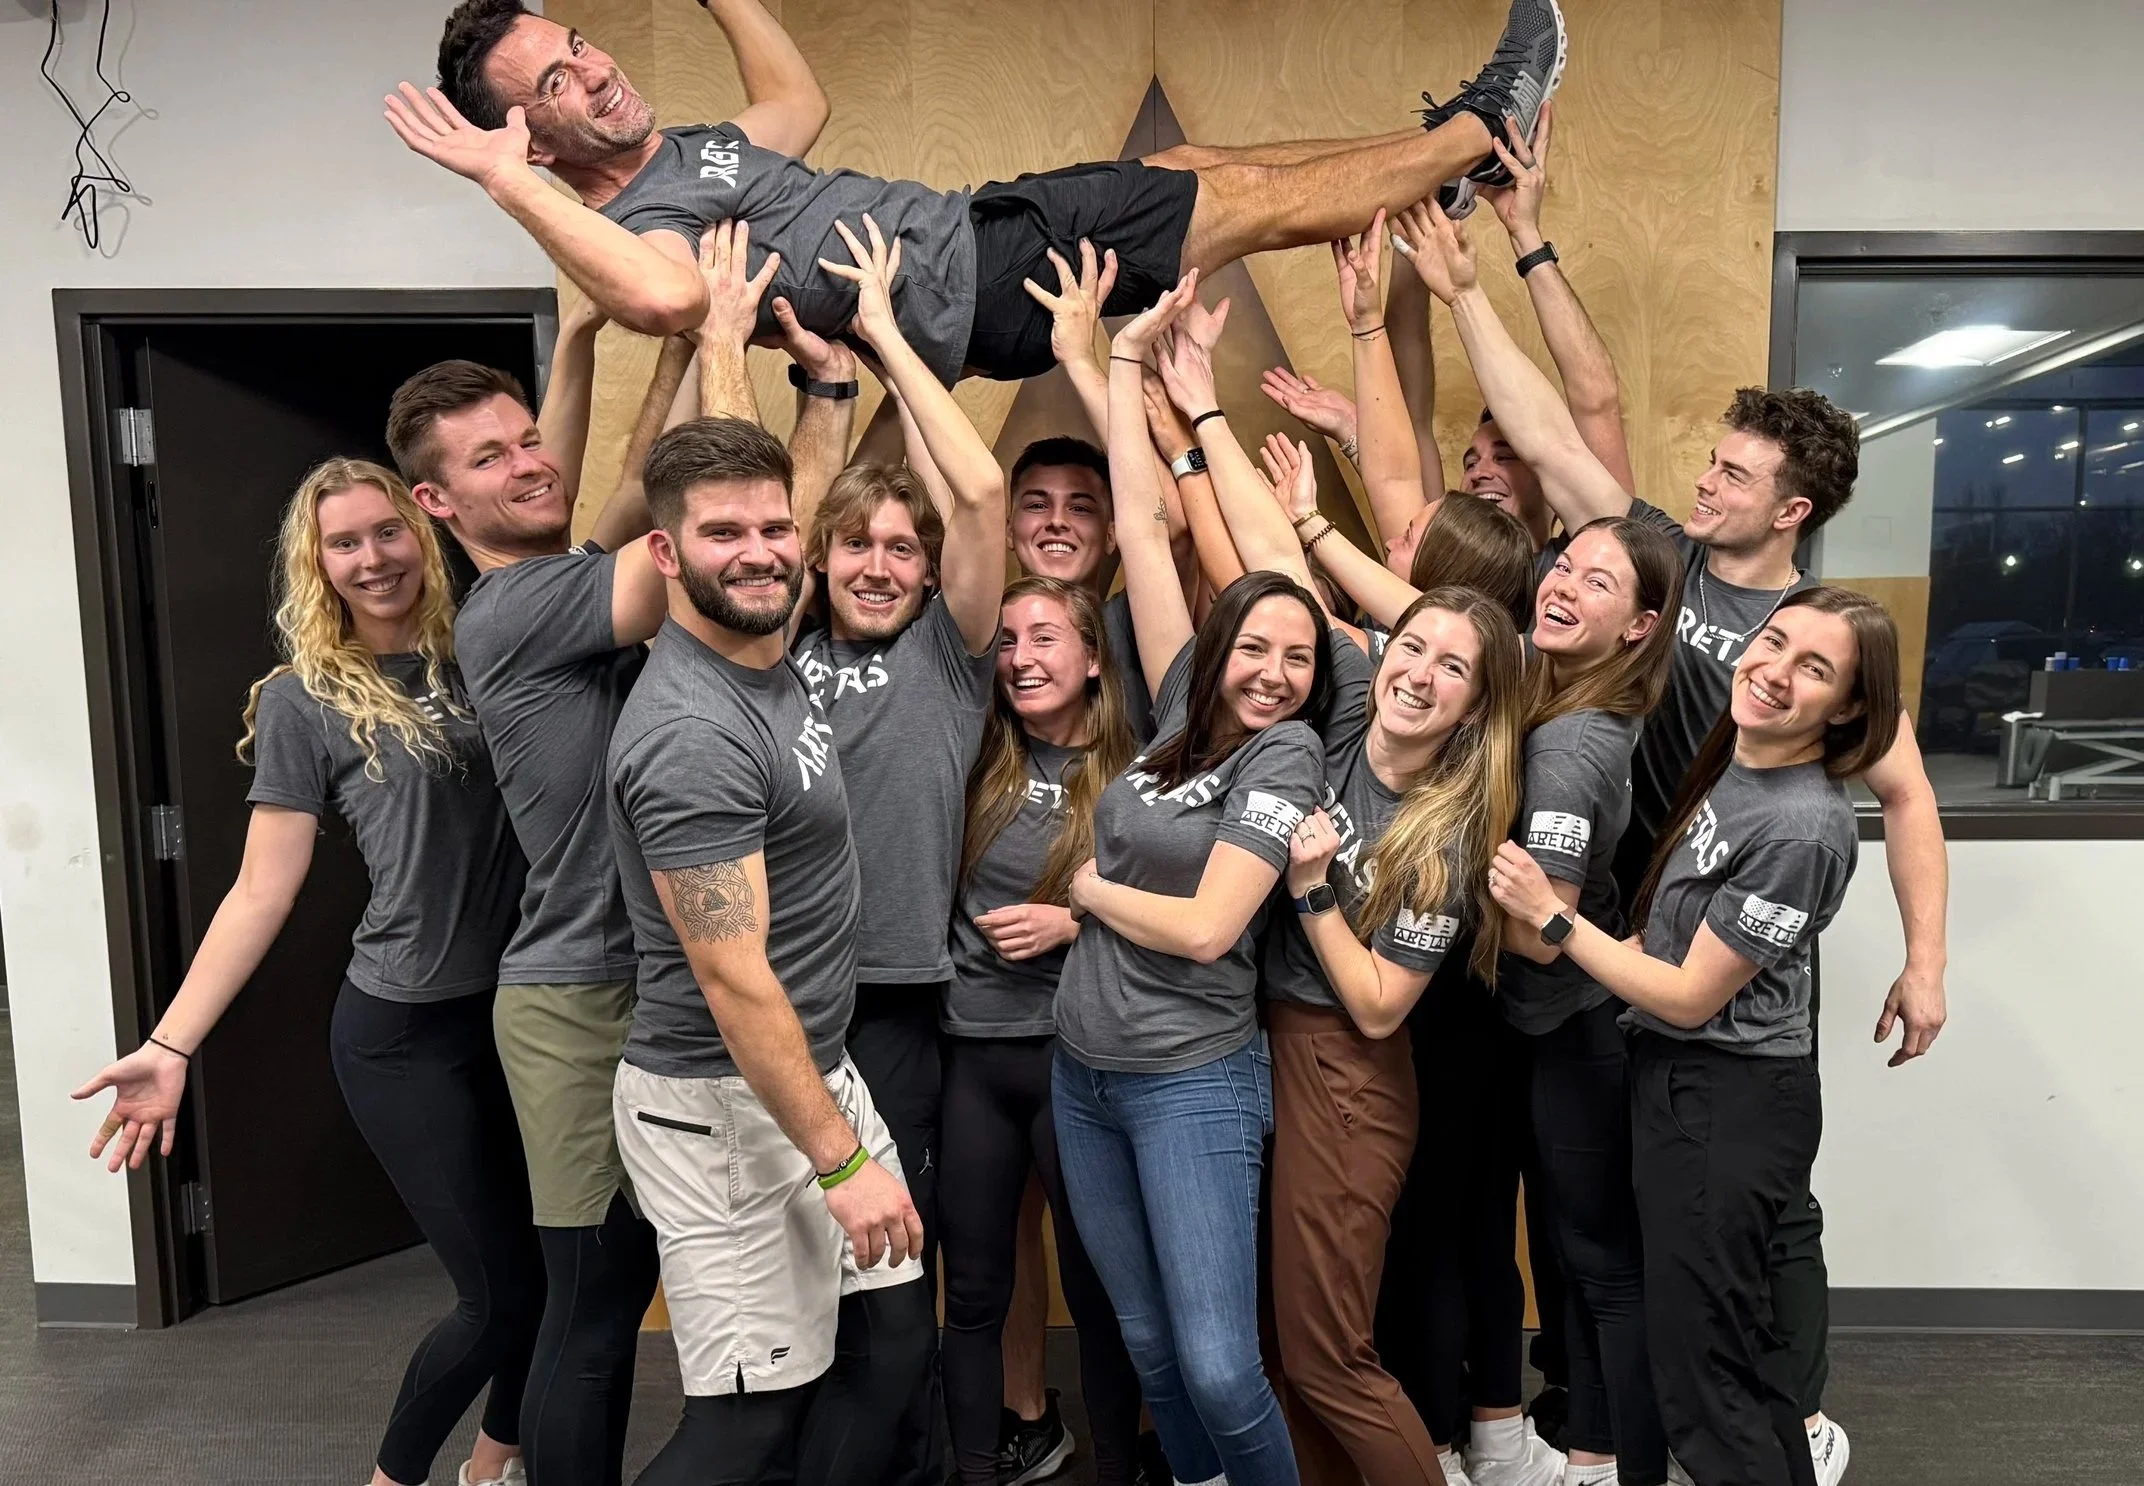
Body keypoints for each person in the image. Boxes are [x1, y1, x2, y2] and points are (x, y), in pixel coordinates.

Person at [1400, 196, 1950, 1483]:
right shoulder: (1667, 564)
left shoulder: (1818, 637)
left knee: (1760, 1220)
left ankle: (1789, 1422)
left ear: (1792, 508)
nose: (1703, 483)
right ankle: (1637, 1436)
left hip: (1709, 959)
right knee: (1638, 1234)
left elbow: (1910, 797)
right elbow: (1553, 430)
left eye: (1732, 476)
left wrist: (1924, 962)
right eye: (1708, 464)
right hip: (1629, 949)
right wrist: (1471, 286)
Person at [383, 223, 818, 1484]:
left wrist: (609, 338)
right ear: (435, 500)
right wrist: (717, 342)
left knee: (640, 1285)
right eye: (489, 458)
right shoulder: (517, 609)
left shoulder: (560, 568)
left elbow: (621, 481)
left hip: (655, 979)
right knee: (593, 1301)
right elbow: (702, 529)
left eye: (528, 439)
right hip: (574, 995)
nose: (528, 464)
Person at [74, 460, 542, 1486]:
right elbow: (260, 890)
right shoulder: (305, 699)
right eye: (344, 543)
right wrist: (170, 1043)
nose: (372, 558)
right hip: (405, 1032)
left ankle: (491, 1467)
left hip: (526, 1016)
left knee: (550, 1273)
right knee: (498, 1296)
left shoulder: (489, 650)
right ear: (317, 564)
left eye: (387, 531)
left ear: (423, 533)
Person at [390, 0, 1568, 383]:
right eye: (557, 81)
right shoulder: (633, 224)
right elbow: (662, 301)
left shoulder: (682, 155)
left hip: (970, 221)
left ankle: (1446, 160)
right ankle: (1488, 122)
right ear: (530, 137)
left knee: (1204, 168)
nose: (596, 68)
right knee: (1249, 204)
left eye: (578, 43)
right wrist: (508, 187)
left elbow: (794, 105)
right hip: (974, 294)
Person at [1489, 587, 1901, 1486]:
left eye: (1814, 669)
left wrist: (1551, 917)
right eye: (1774, 643)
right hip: (1683, 1083)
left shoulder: (1802, 826)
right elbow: (1677, 946)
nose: (1774, 671)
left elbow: (1686, 998)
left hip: (1728, 1098)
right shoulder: (1741, 763)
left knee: (1706, 1376)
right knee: (1722, 1355)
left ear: (1849, 708)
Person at [608, 414, 934, 1484]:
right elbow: (731, 975)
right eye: (722, 533)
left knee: (891, 1340)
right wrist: (839, 1161)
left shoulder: (762, 647)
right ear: (666, 552)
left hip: (809, 1066)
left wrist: (832, 382)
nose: (758, 553)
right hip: (720, 1104)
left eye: (774, 527)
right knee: (748, 1419)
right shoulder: (690, 735)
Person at [1048, 276, 1328, 1486]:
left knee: (1217, 1364)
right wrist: (1120, 368)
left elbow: (1213, 926)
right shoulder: (1175, 714)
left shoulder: (1285, 753)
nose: (1272, 673)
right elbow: (1137, 519)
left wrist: (1090, 894)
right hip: (1082, 1074)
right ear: (1217, 651)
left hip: (1191, 1082)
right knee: (1151, 1348)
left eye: (1298, 658)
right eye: (1254, 647)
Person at [779, 214, 1009, 1486]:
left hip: (893, 1002)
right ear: (819, 562)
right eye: (855, 545)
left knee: (890, 1276)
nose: (877, 565)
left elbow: (978, 494)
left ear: (930, 576)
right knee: (790, 1273)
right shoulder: (769, 654)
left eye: (900, 551)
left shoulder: (947, 658)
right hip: (774, 1005)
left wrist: (886, 333)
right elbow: (768, 516)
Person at [939, 576, 1148, 1486]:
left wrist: (1076, 921)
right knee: (974, 1287)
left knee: (1100, 1290)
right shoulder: (974, 750)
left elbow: (1190, 911)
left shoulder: (1135, 772)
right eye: (1008, 642)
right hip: (974, 1054)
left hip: (1078, 1060)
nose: (1021, 659)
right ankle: (978, 1471)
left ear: (1094, 658)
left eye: (1046, 639)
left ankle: (1117, 1470)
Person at [1495, 516, 1684, 1486]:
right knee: (1577, 1258)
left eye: (1597, 583)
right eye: (1562, 565)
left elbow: (1541, 927)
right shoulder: (1556, 693)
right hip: (1556, 1026)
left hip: (1577, 1030)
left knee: (1601, 1264)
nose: (1563, 586)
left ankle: (1606, 1463)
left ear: (1639, 626)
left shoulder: (1571, 742)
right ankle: (1590, 1451)